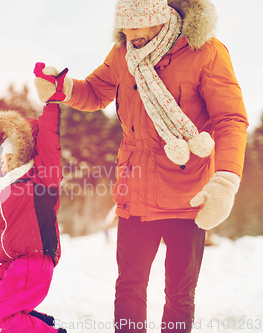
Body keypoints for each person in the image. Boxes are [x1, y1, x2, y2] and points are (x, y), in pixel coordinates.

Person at [34, 0, 248, 332]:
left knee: (179, 294)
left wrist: (225, 181)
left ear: (159, 18)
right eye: (124, 27)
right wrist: (62, 89)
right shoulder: (124, 52)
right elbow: (95, 92)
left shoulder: (205, 52)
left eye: (136, 26)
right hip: (135, 195)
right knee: (129, 287)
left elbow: (230, 119)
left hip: (187, 197)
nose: (129, 34)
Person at [0, 84, 67, 333]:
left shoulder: (40, 179)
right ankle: (41, 324)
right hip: (10, 264)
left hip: (34, 261)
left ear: (22, 155)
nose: (2, 165)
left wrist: (51, 104)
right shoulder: (1, 187)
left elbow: (49, 144)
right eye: (0, 160)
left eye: (7, 158)